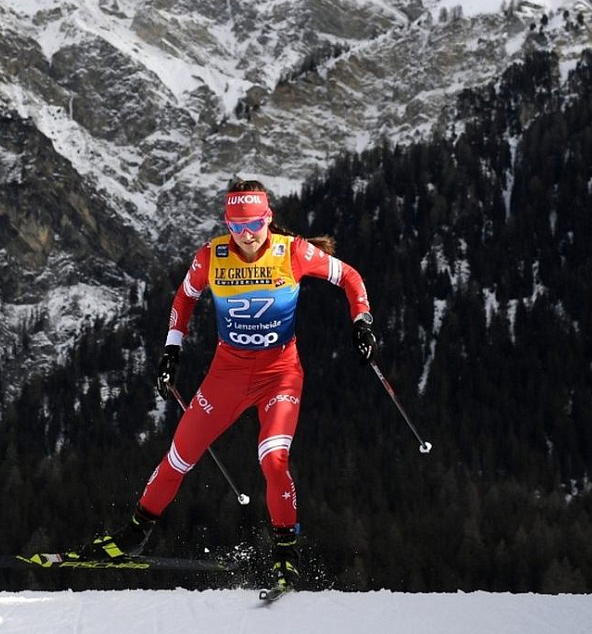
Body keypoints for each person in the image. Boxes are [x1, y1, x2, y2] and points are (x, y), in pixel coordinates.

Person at [83, 179, 376, 591]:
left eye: (254, 224)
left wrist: (361, 321)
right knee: (178, 458)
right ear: (226, 225)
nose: (247, 235)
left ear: (268, 219)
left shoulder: (291, 252)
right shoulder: (212, 257)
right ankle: (132, 536)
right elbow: (183, 300)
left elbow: (350, 277)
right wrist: (172, 351)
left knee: (273, 461)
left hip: (280, 375)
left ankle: (285, 557)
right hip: (227, 376)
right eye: (236, 227)